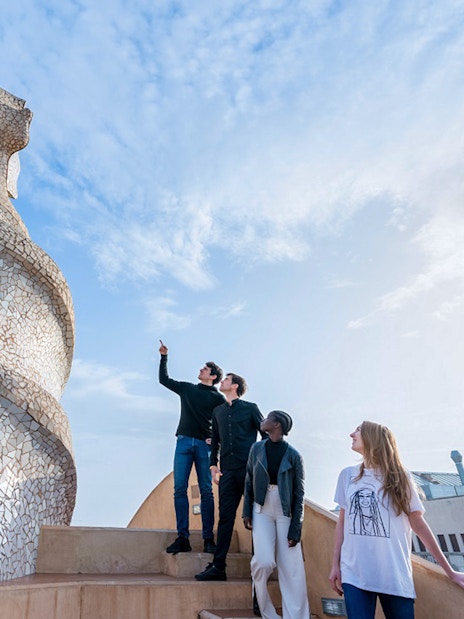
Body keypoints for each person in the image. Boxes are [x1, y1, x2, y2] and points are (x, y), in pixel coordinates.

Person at [329, 421, 464, 619]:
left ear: (373, 438)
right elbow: (342, 523)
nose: (351, 434)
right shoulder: (347, 475)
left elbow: (418, 525)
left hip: (394, 575)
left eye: (358, 430)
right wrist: (335, 565)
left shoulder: (401, 478)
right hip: (354, 573)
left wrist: (450, 572)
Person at [195, 373, 264, 581]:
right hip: (226, 472)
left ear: (235, 386)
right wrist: (213, 466)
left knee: (256, 519)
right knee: (225, 519)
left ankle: (258, 569)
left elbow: (266, 435)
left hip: (249, 471)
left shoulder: (251, 408)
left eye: (226, 380)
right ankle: (218, 567)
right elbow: (215, 441)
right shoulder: (218, 411)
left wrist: (259, 464)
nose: (222, 382)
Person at [242, 411, 310, 619]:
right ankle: (268, 613)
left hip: (285, 512)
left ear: (277, 425)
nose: (263, 421)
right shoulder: (256, 449)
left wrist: (295, 527)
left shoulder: (294, 455)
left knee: (292, 569)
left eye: (268, 418)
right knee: (262, 562)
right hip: (261, 509)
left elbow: (299, 494)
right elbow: (248, 480)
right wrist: (247, 511)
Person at [158, 340, 224, 554]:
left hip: (204, 447)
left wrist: (215, 442)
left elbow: (223, 424)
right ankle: (182, 538)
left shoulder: (218, 399)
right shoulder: (187, 389)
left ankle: (208, 540)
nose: (201, 369)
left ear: (212, 376)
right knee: (179, 489)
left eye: (205, 368)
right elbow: (164, 380)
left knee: (206, 490)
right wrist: (164, 357)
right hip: (184, 442)